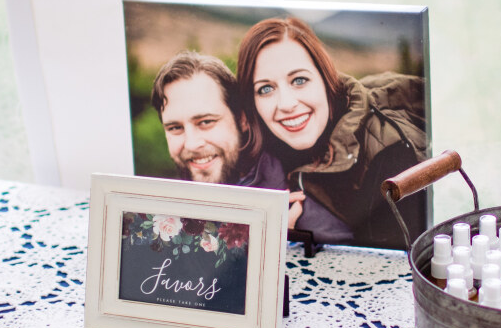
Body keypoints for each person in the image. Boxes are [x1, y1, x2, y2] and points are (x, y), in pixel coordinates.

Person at [232, 16, 426, 250]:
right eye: (265, 89)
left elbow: (395, 272)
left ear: (326, 79)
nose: (286, 103)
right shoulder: (257, 149)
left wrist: (286, 247)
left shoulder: (390, 154)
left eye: (299, 80)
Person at [149, 52, 247, 185]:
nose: (191, 144)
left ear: (242, 119)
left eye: (205, 122)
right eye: (175, 128)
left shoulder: (282, 196)